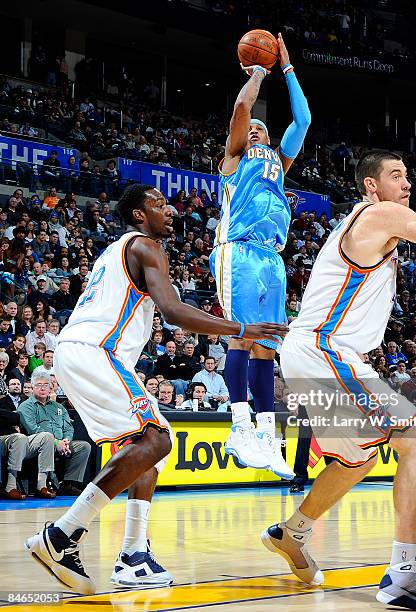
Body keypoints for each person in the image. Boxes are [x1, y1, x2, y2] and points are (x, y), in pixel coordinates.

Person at [262, 151, 416, 611]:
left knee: (359, 459)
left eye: (408, 175)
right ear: (371, 186)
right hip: (324, 351)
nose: (406, 183)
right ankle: (404, 577)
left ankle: (293, 532)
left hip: (318, 352)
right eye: (396, 175)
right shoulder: (380, 214)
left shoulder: (368, 221)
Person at [25, 183, 286, 595]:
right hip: (98, 350)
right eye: (159, 204)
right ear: (138, 215)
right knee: (158, 439)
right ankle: (61, 534)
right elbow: (172, 310)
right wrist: (241, 328)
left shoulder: (118, 251)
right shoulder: (146, 245)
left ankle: (133, 555)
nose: (170, 211)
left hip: (84, 353)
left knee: (148, 451)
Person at [209, 33, 310, 478]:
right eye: (252, 129)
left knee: (267, 346)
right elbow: (240, 111)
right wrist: (258, 73)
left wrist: (287, 68)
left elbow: (303, 120)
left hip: (272, 257)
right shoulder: (234, 159)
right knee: (242, 334)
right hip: (239, 250)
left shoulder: (277, 164)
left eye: (262, 130)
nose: (255, 130)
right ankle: (238, 425)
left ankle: (267, 436)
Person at [18, 371, 91, 496]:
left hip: (61, 443)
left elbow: (68, 427)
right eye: (38, 385)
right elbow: (32, 429)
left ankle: (68, 484)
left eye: (45, 385)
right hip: (38, 444)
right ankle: (43, 484)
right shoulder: (26, 406)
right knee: (47, 438)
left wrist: (66, 440)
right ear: (32, 387)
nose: (42, 388)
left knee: (84, 447)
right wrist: (56, 442)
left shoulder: (58, 407)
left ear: (50, 387)